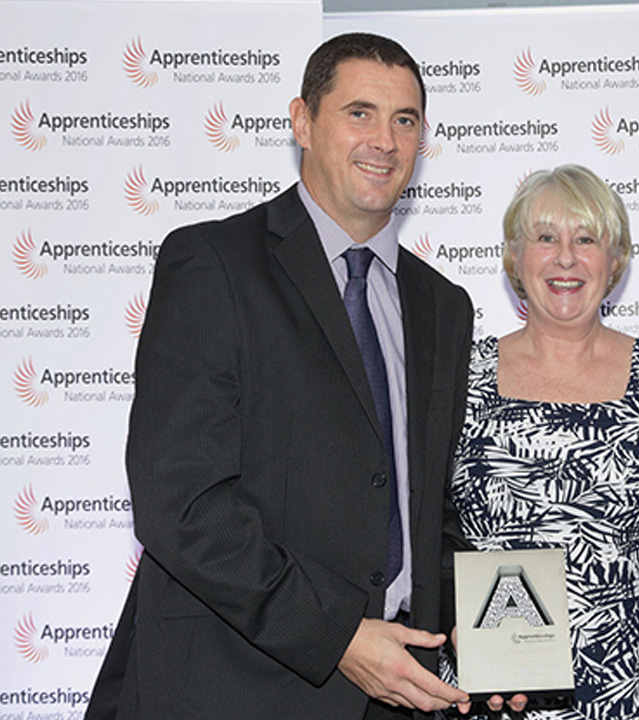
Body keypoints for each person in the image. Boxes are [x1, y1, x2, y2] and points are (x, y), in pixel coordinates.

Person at [86, 33, 474, 720]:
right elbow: (182, 503)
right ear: (302, 121)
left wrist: (485, 647)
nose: (383, 140)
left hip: (396, 698)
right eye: (359, 112)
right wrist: (339, 637)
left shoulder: (442, 305)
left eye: (405, 120)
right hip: (232, 689)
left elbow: (428, 513)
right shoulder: (213, 263)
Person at [446, 164, 639, 720]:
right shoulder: (458, 377)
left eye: (586, 239)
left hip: (628, 693)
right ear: (516, 258)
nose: (566, 257)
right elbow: (417, 531)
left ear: (615, 261)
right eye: (545, 238)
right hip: (490, 695)